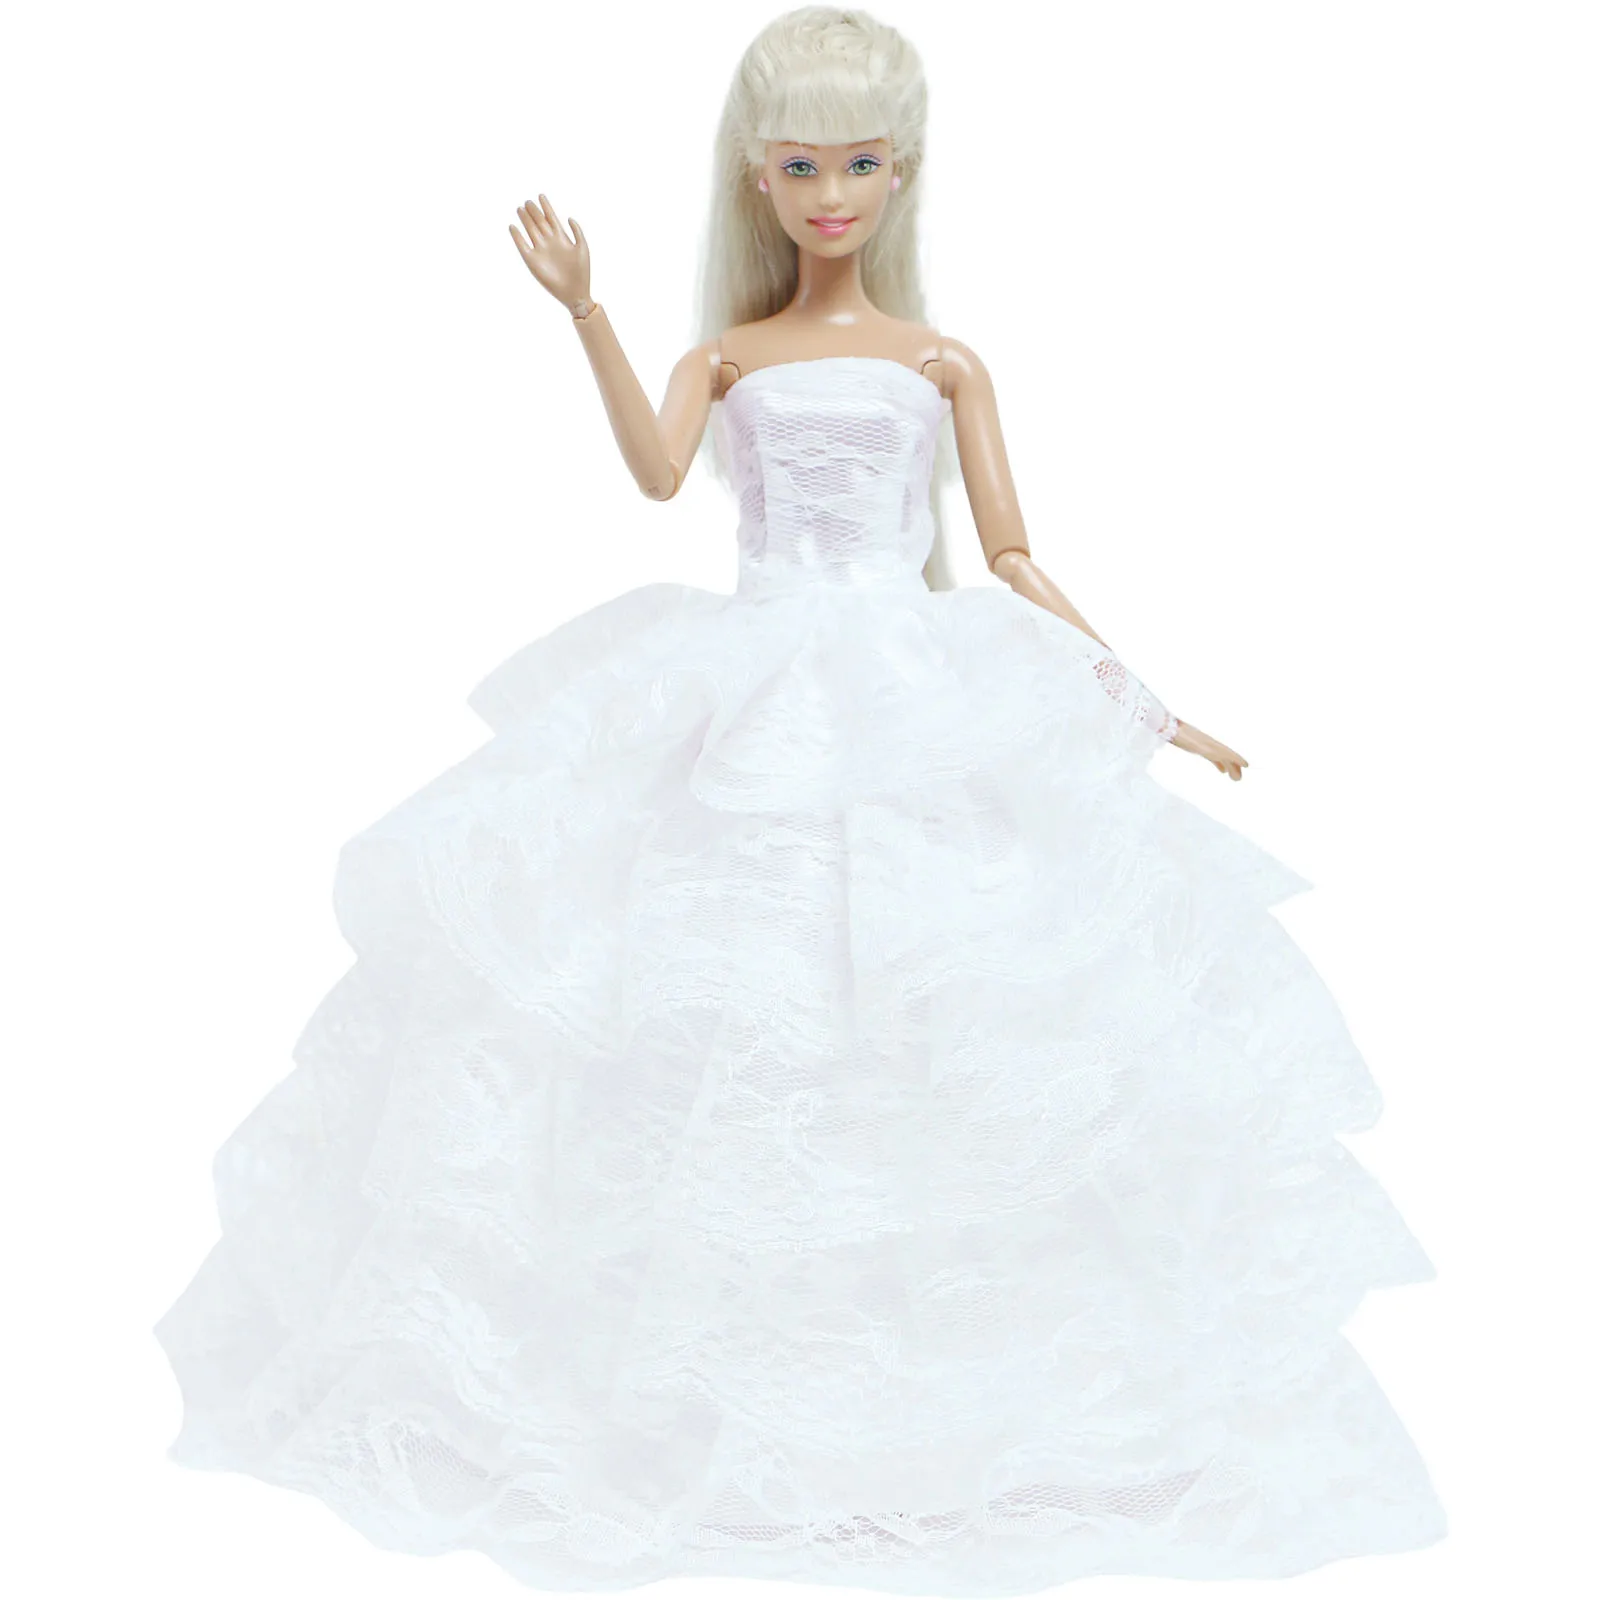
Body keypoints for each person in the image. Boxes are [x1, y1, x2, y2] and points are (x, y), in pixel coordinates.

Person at [153, 6, 1447, 1591]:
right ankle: (710, 1419)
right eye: (800, 165)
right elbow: (656, 474)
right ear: (756, 178)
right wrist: (588, 311)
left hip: (914, 687)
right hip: (753, 696)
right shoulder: (728, 358)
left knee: (962, 1022)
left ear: (903, 173)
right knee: (712, 1004)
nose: (831, 193)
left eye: (860, 163)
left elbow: (1015, 553)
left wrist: (1144, 705)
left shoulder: (943, 362)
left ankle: (951, 1435)